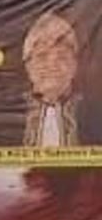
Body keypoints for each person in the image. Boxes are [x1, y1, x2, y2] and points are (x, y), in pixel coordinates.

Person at [22, 11, 84, 147]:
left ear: (74, 65)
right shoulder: (8, 116)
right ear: (28, 66)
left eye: (62, 57)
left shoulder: (94, 114)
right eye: (42, 56)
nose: (52, 64)